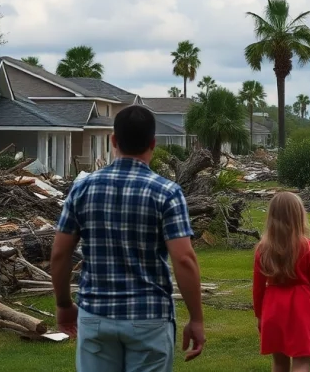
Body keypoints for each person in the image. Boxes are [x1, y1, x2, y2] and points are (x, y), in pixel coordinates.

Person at [51, 105, 205, 372]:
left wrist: (64, 304)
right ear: (153, 143)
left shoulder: (82, 188)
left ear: (113, 141)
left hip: (96, 314)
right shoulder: (167, 193)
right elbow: (184, 258)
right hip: (149, 317)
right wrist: (196, 318)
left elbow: (60, 254)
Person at [253, 192, 310, 372]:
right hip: (302, 308)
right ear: (299, 215)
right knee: (302, 362)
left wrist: (259, 315)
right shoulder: (308, 246)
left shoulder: (262, 249)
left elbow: (258, 288)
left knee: (279, 363)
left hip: (273, 308)